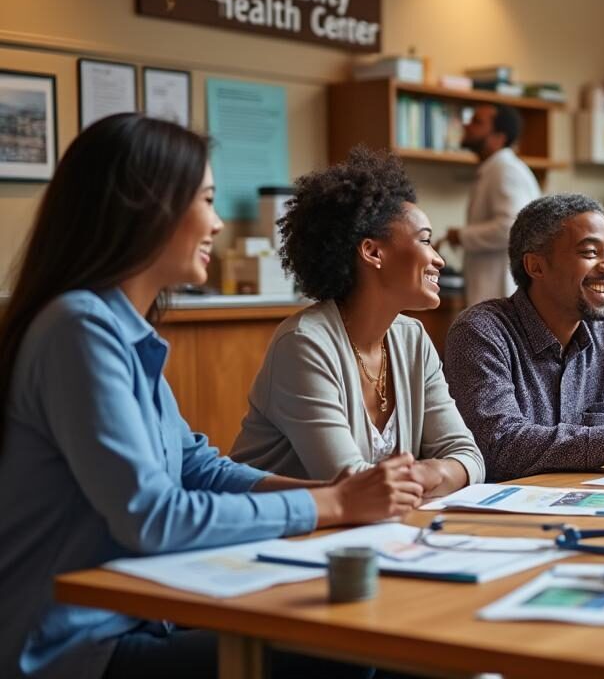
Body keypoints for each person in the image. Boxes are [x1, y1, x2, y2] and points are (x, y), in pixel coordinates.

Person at [0, 115, 422, 679]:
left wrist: (331, 491)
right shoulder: (79, 329)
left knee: (379, 633)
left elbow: (196, 465)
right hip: (76, 646)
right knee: (350, 656)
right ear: (146, 206)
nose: (219, 223)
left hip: (144, 612)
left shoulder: (117, 325)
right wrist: (335, 505)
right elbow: (154, 517)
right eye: (205, 199)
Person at [231, 148, 485, 495]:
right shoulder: (304, 344)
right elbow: (350, 481)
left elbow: (469, 457)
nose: (439, 259)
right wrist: (437, 474)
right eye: (425, 240)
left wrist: (431, 474)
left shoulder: (413, 339)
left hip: (364, 532)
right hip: (277, 536)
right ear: (373, 252)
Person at [444, 194, 604, 482]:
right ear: (536, 267)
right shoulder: (480, 332)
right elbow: (499, 445)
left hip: (588, 505)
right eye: (591, 253)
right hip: (503, 517)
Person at [439, 103, 542, 307]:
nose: (467, 125)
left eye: (477, 122)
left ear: (498, 138)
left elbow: (512, 228)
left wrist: (461, 236)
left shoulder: (505, 170)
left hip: (502, 290)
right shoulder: (494, 169)